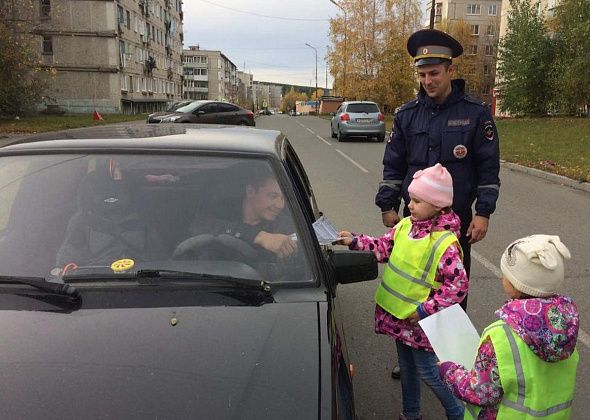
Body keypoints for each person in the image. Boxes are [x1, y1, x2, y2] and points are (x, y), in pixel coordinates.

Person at [376, 28, 501, 380]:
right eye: (422, 74)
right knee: (411, 286)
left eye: (434, 73)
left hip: (455, 225)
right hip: (414, 222)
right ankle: (412, 355)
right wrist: (388, 204)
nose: (427, 80)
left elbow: (488, 167)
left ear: (449, 70)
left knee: (451, 291)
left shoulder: (475, 114)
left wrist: (483, 213)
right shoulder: (406, 115)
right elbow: (393, 163)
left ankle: (452, 357)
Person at [337, 164, 466, 420]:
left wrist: (424, 310)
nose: (410, 205)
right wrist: (354, 240)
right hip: (400, 317)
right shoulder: (406, 225)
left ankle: (458, 412)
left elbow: (458, 287)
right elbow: (384, 247)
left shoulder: (445, 242)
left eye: (417, 201)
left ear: (439, 205)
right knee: (407, 369)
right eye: (410, 199)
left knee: (429, 371)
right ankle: (411, 413)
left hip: (421, 321)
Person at [439, 235, 579, 419]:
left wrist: (448, 371)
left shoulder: (501, 335)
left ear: (516, 284)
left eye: (506, 273)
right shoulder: (565, 325)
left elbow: (482, 392)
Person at [184, 167, 297, 261]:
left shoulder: (285, 227)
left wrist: (286, 256)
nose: (280, 205)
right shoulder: (221, 210)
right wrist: (259, 236)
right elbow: (199, 226)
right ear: (250, 191)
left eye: (283, 198)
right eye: (273, 196)